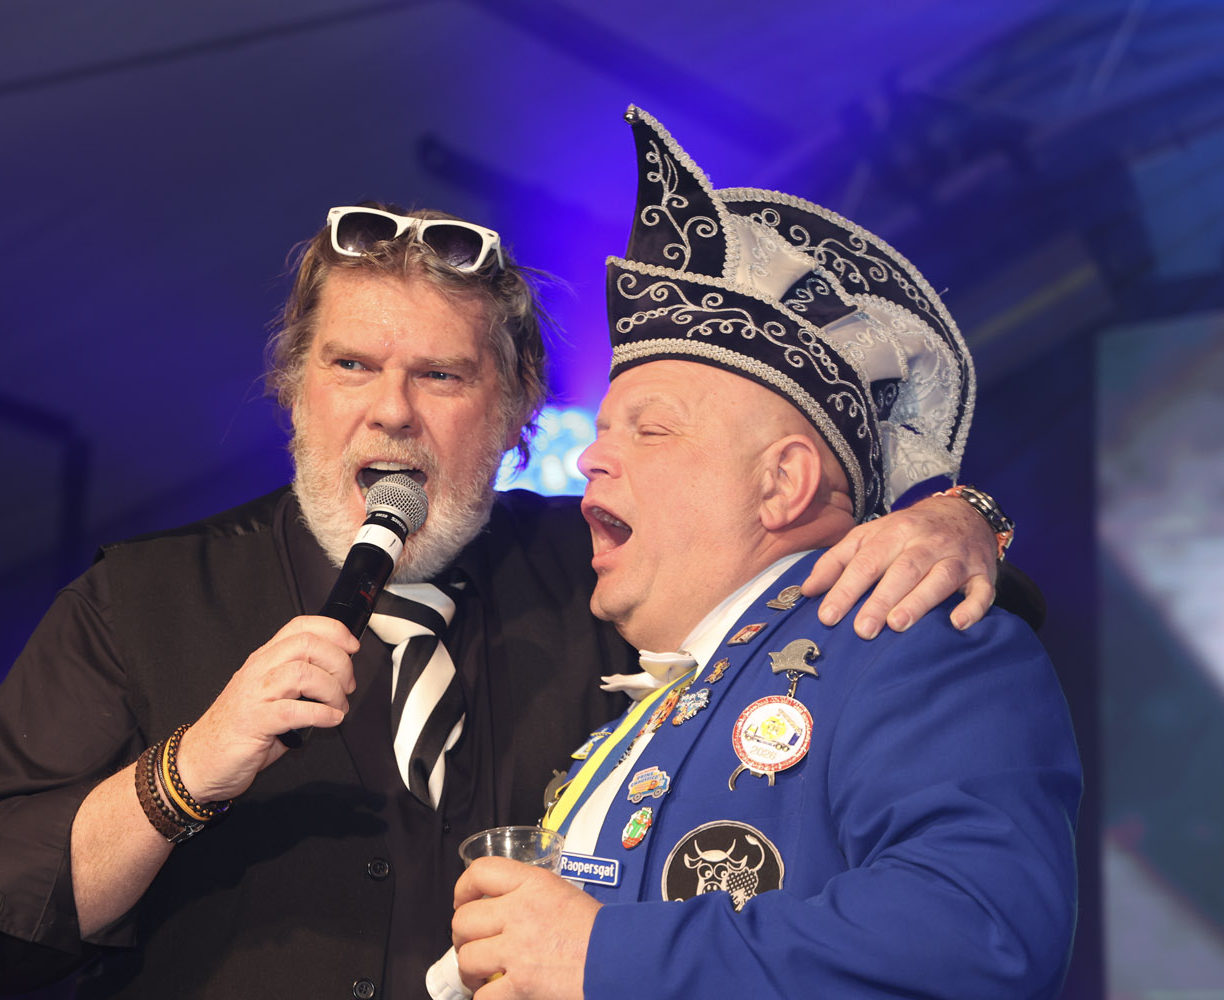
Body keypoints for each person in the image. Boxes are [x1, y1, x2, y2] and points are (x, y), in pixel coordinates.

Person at [0, 191, 1026, 997]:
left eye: (441, 376)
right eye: (351, 366)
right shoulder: (141, 597)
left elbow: (807, 583)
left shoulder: (605, 568)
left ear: (514, 415)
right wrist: (189, 767)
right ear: (293, 391)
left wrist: (957, 517)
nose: (391, 411)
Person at [444, 107, 1080, 1000]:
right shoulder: (648, 705)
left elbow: (983, 932)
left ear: (783, 483)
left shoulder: (917, 642)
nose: (589, 458)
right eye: (603, 429)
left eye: (650, 430)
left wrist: (602, 956)